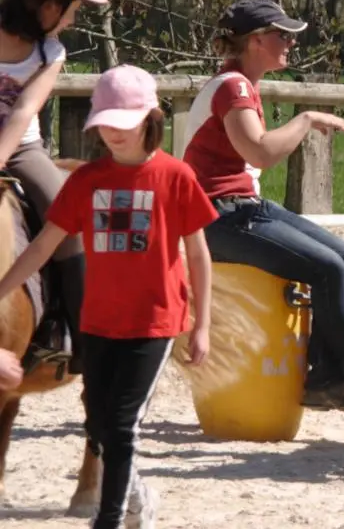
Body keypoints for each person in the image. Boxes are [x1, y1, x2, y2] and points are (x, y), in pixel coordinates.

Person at [0, 64, 216, 528]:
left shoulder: (176, 177)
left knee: (120, 426)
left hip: (154, 321)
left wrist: (203, 325)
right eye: (106, 125)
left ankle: (110, 518)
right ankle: (139, 499)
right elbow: (43, 245)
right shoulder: (86, 181)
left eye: (124, 125)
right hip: (98, 321)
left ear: (149, 120)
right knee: (101, 427)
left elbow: (198, 255)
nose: (113, 135)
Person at [181, 0, 344, 429]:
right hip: (218, 217)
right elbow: (259, 152)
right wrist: (305, 120)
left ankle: (323, 376)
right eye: (283, 35)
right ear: (256, 40)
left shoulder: (240, 83)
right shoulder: (234, 87)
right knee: (326, 269)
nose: (290, 44)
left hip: (241, 207)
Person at [0, 0, 109, 375]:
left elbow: (25, 109)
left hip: (21, 147)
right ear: (48, 6)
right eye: (73, 9)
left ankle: (69, 334)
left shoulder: (50, 52)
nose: (72, 19)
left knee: (66, 214)